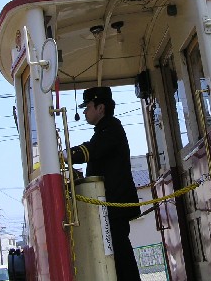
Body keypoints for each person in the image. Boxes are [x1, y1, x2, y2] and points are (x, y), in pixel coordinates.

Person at [67, 86, 141, 281]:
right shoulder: (104, 129)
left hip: (114, 205)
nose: (84, 111)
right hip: (110, 206)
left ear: (101, 108)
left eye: (88, 106)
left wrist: (66, 155)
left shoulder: (111, 129)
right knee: (116, 256)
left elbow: (92, 150)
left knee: (121, 256)